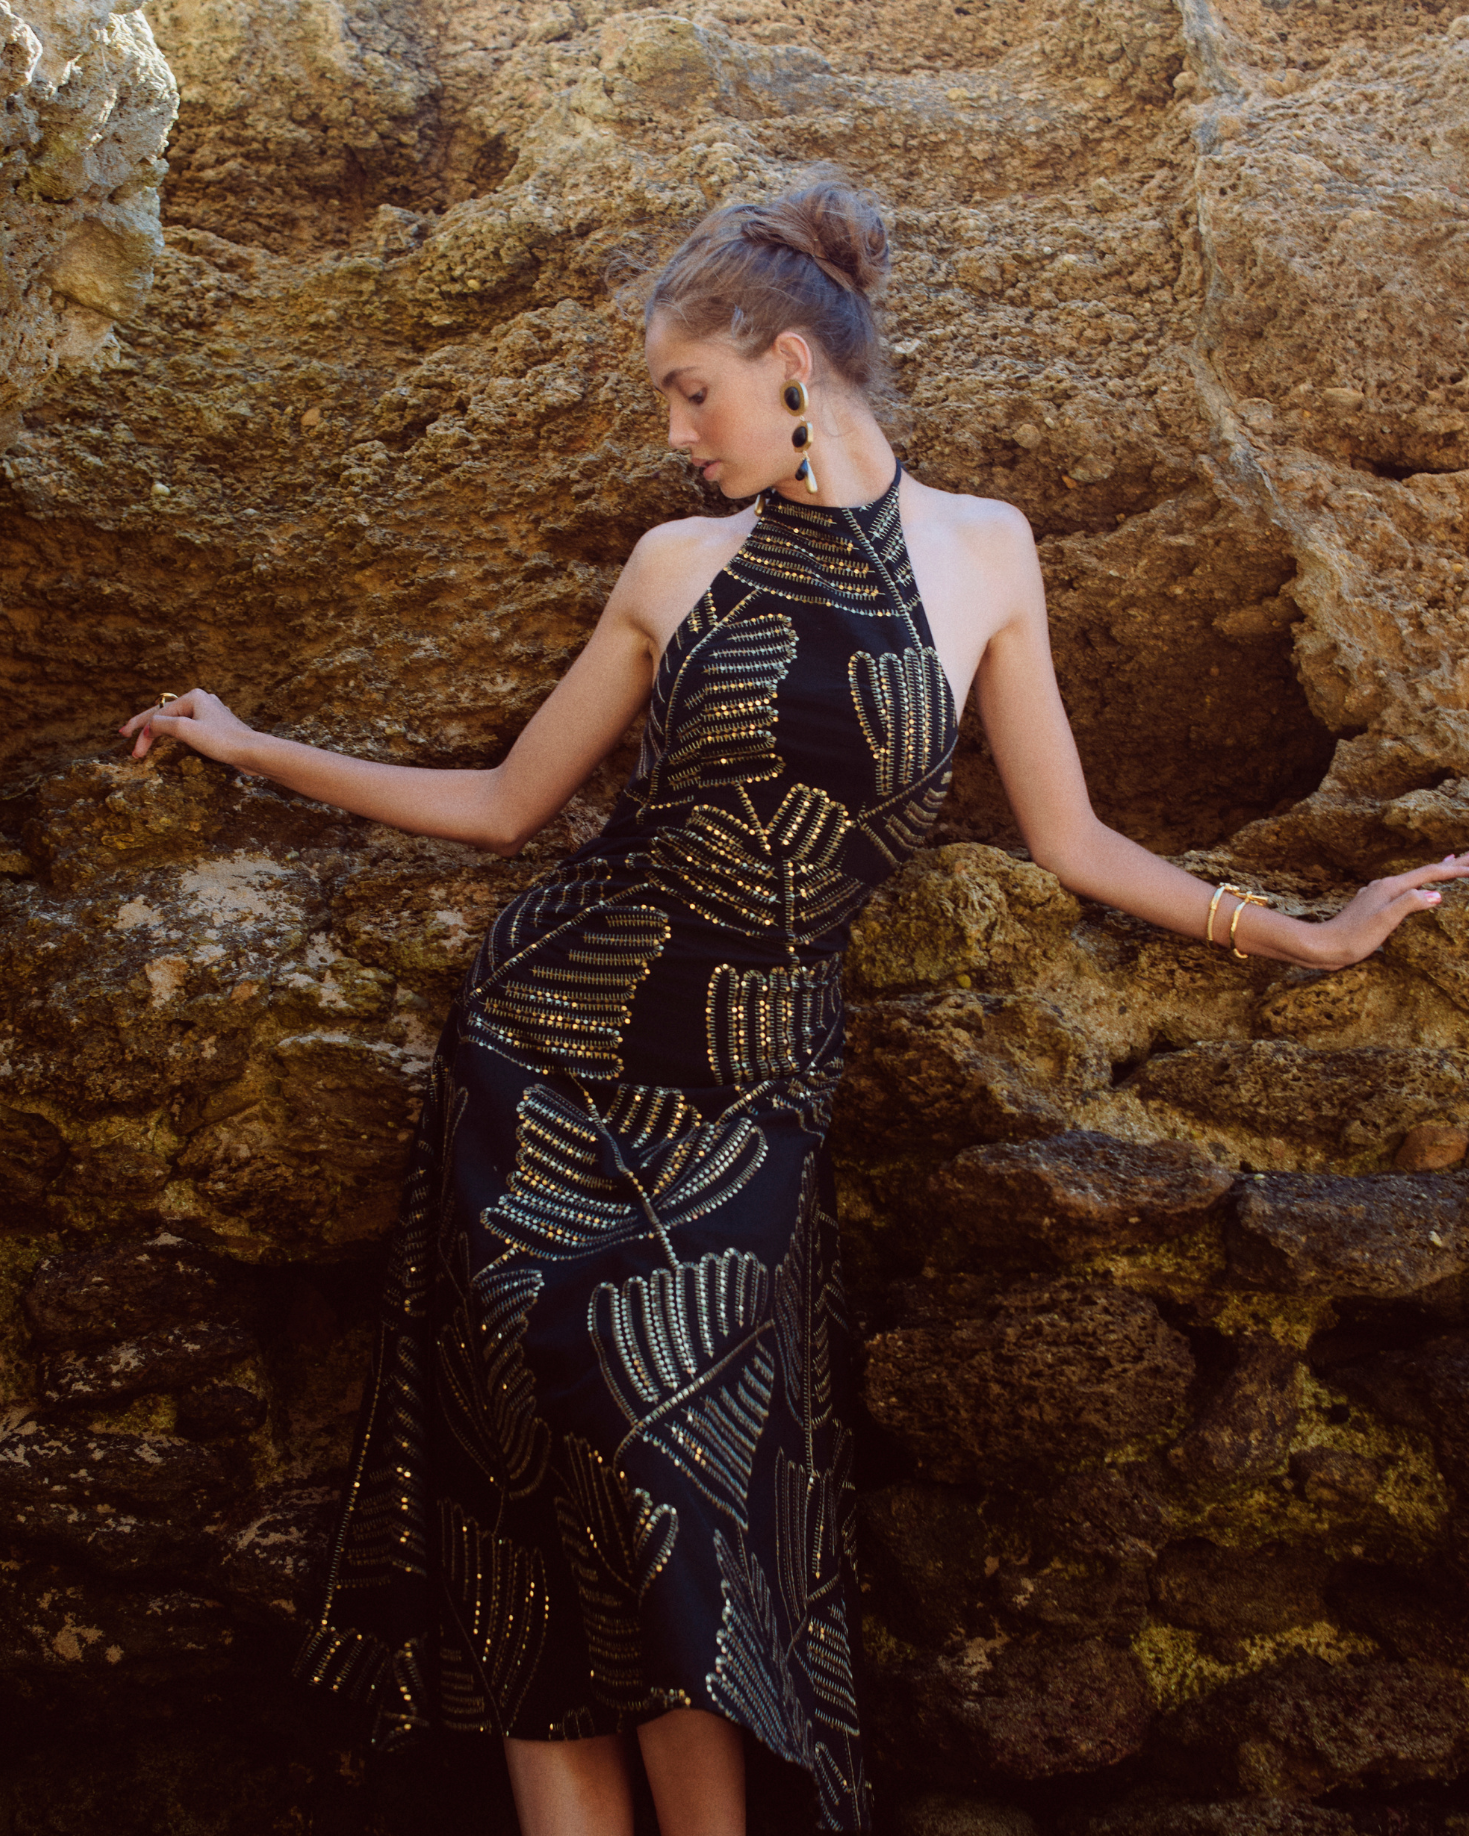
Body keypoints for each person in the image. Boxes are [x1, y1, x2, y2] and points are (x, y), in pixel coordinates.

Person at [119, 181, 1469, 1836]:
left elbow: (1069, 840)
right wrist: (252, 746)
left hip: (753, 1087)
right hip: (548, 1057)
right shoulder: (675, 566)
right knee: (527, 1479)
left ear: (790, 361)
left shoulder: (985, 551)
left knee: (676, 1472)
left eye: (690, 392)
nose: (676, 434)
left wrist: (1304, 936)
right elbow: (502, 807)